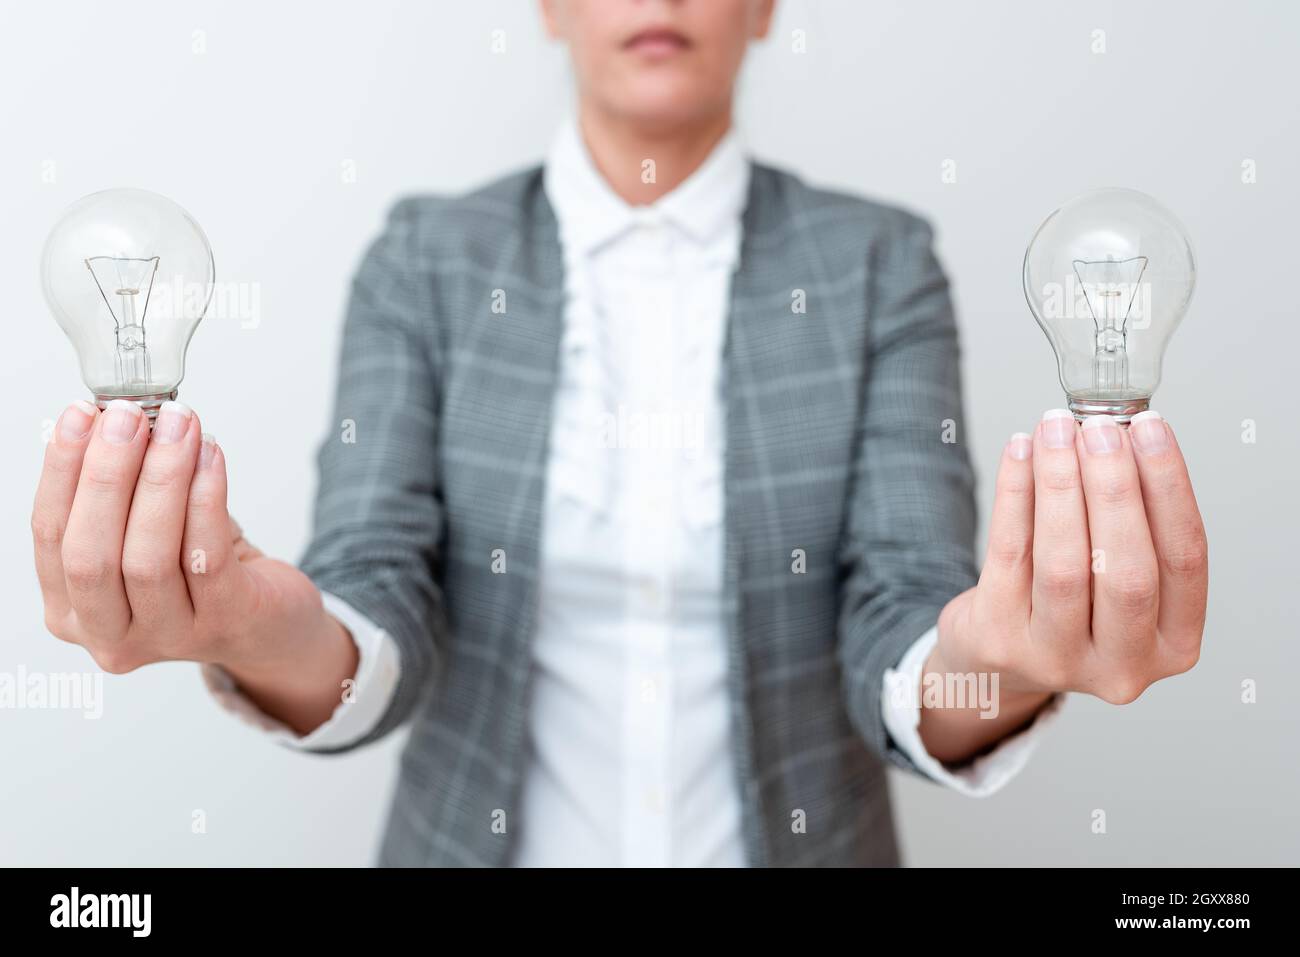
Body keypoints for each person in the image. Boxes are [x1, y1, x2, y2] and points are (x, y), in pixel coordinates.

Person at [30, 0, 1208, 867]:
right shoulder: (426, 261)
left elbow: (902, 632)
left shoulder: (875, 264)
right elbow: (374, 611)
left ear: (763, 8)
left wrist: (1007, 659)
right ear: (547, 7)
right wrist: (248, 625)